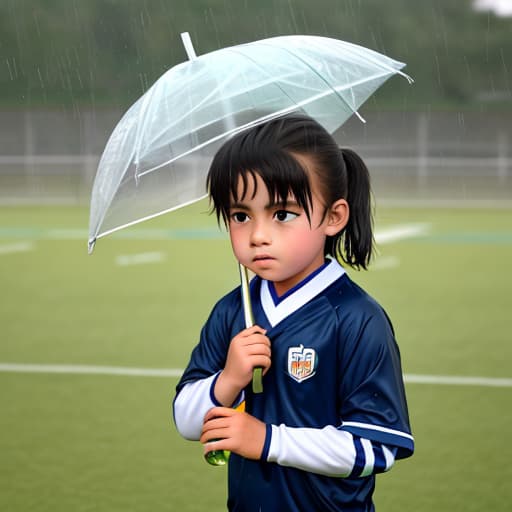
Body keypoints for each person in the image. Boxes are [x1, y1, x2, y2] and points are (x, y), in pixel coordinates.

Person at [173, 113, 414, 511]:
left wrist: (267, 440)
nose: (258, 235)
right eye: (240, 216)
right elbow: (186, 419)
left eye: (282, 214)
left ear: (334, 217)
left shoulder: (357, 319)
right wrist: (228, 379)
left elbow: (375, 449)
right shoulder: (233, 310)